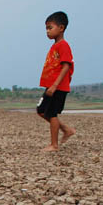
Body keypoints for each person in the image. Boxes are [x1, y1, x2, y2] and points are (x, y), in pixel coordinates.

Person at [37, 11, 76, 152]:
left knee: (51, 113)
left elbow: (66, 66)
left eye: (50, 28)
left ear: (61, 28)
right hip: (51, 86)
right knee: (41, 110)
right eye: (46, 28)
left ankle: (54, 145)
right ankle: (66, 129)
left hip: (58, 87)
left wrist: (54, 85)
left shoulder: (63, 45)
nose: (47, 31)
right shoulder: (55, 46)